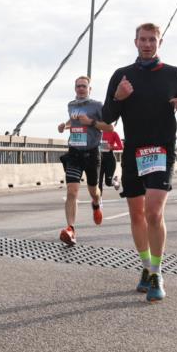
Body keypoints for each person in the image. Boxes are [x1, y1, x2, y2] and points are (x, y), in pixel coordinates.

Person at [102, 22, 177, 302]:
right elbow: (107, 117)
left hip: (161, 150)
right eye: (142, 39)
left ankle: (156, 273)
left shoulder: (174, 74)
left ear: (160, 42)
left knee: (154, 212)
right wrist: (119, 98)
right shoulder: (122, 75)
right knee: (136, 215)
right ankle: (144, 266)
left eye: (152, 40)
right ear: (135, 42)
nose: (147, 44)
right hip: (133, 151)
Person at [57, 76, 113, 246]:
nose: (81, 89)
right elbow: (73, 120)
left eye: (84, 86)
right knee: (72, 191)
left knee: (93, 191)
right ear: (75, 89)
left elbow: (109, 127)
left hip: (92, 153)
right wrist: (64, 126)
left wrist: (91, 122)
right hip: (74, 152)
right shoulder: (71, 105)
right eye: (78, 86)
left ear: (90, 89)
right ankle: (71, 229)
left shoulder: (97, 105)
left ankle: (96, 203)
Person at [99, 126, 123, 194]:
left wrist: (111, 147)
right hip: (100, 160)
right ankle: (98, 202)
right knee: (99, 182)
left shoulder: (114, 133)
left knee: (108, 183)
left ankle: (115, 181)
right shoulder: (99, 133)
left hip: (110, 160)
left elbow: (120, 146)